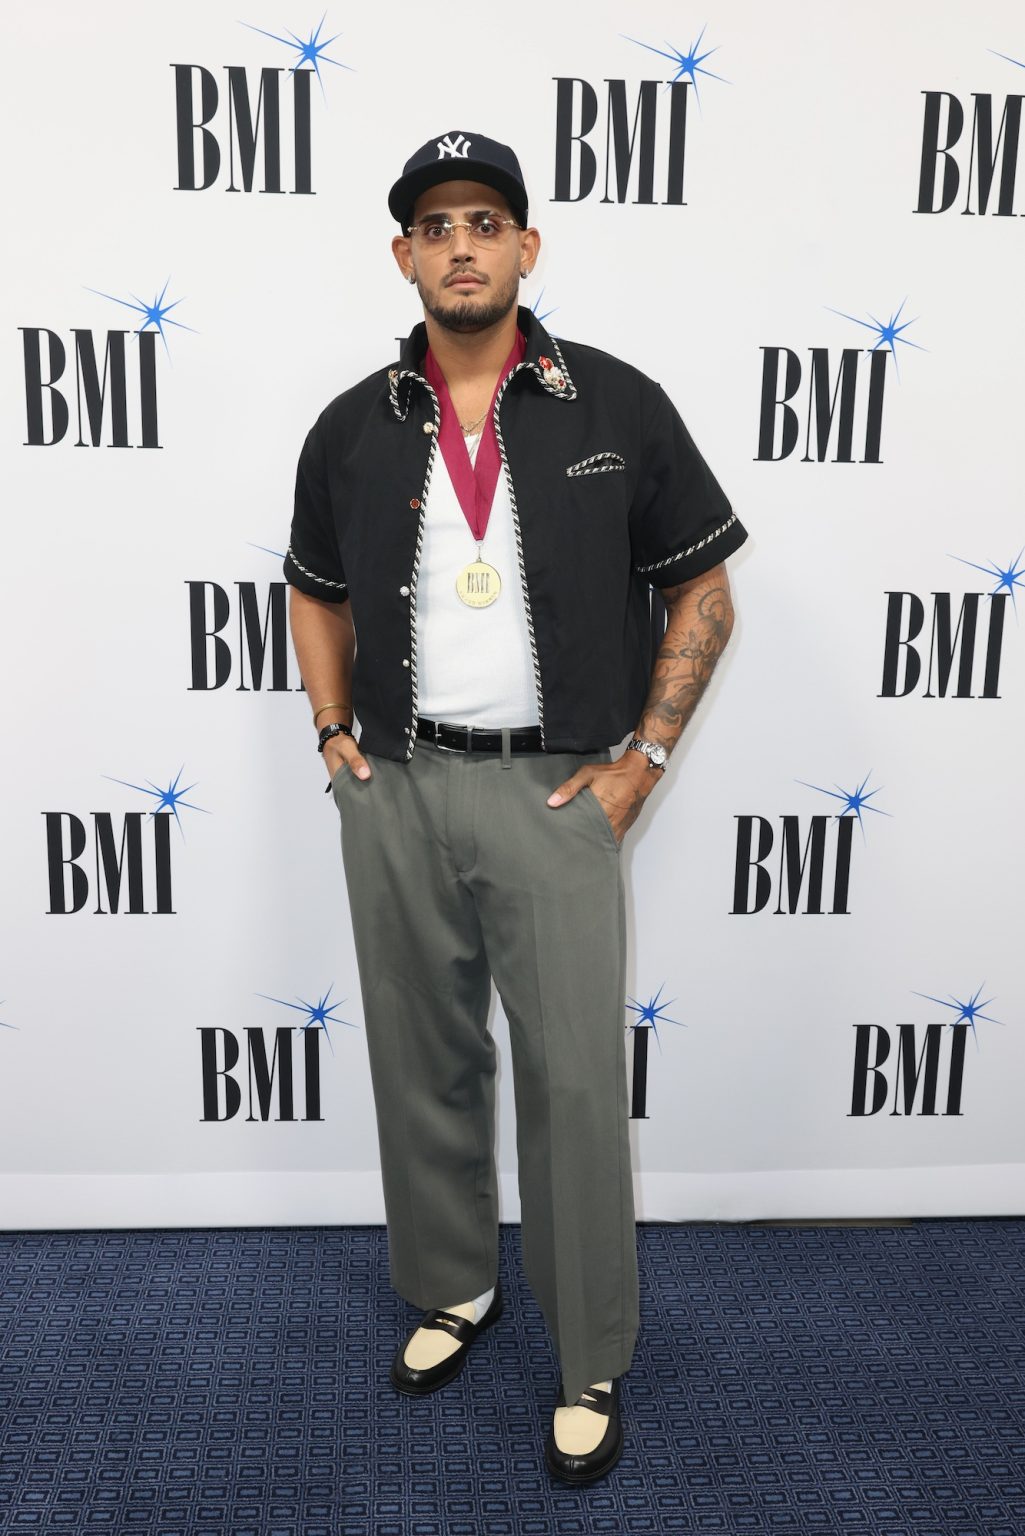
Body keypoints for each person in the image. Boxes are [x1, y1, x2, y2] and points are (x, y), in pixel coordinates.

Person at [284, 130, 747, 1485]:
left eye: (484, 221)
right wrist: (332, 733)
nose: (461, 245)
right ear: (404, 257)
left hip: (556, 791)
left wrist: (642, 760)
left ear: (527, 247)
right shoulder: (354, 424)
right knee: (420, 1060)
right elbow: (313, 589)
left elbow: (704, 592)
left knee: (573, 1083)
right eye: (434, 226)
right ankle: (451, 1287)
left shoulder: (616, 405)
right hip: (396, 785)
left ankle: (589, 1353)